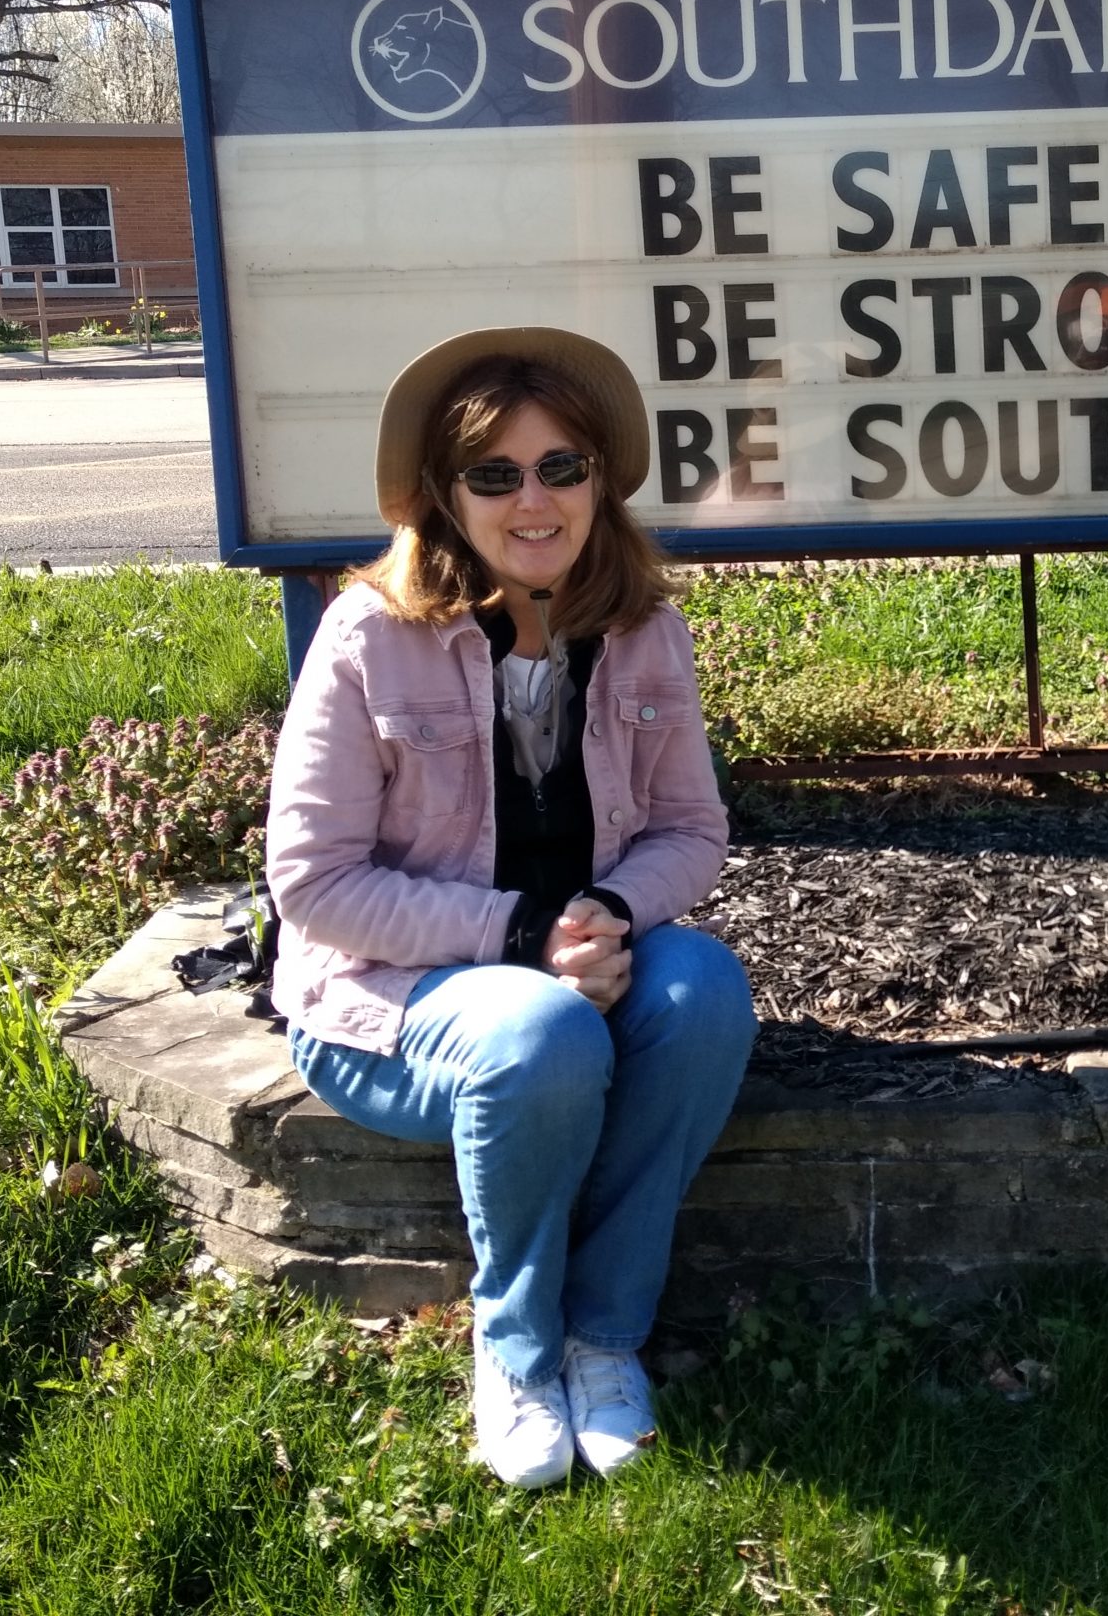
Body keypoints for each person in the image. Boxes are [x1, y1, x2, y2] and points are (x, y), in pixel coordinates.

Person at [266, 325, 754, 1488]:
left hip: (587, 967)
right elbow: (313, 883)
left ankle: (602, 1337)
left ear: (599, 481)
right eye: (496, 474)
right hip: (394, 1009)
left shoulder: (644, 627)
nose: (533, 499)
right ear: (445, 492)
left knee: (703, 997)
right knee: (538, 1034)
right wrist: (526, 942)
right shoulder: (367, 636)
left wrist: (610, 916)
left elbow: (694, 831)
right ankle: (518, 1348)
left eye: (561, 468)